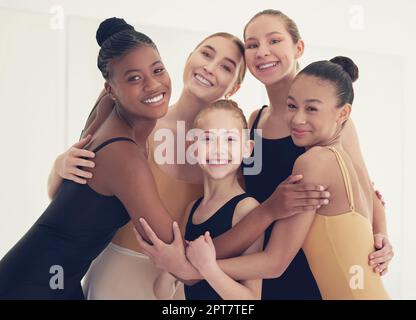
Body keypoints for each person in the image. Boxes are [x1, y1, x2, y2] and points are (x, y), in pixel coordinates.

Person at [46, 30, 330, 299]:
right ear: (189, 56)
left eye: (226, 67)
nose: (210, 67)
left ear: (235, 87)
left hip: (182, 283)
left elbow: (244, 227)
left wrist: (371, 219)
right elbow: (66, 197)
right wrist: (61, 165)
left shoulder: (227, 160)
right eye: (206, 54)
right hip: (120, 272)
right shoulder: (135, 126)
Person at [135, 9, 393, 300]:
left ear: (299, 48)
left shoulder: (327, 125)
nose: (262, 52)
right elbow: (240, 201)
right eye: (252, 45)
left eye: (274, 40)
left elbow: (365, 191)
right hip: (255, 273)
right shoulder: (254, 122)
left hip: (303, 273)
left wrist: (380, 236)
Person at [0, 17, 174, 299]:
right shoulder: (124, 156)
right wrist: (266, 214)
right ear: (111, 89)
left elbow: (60, 193)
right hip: (33, 288)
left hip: (44, 279)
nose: (153, 84)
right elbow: (169, 241)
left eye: (158, 70)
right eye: (134, 78)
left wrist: (59, 165)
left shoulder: (107, 109)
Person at [287, 56, 390, 299]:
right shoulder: (257, 124)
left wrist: (197, 265)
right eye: (292, 106)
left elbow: (275, 260)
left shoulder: (317, 159)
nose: (297, 118)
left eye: (311, 108)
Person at [153, 100, 263, 300]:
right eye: (207, 139)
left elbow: (252, 298)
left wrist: (208, 268)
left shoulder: (247, 209)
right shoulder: (192, 209)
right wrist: (170, 267)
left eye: (230, 139)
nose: (218, 149)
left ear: (247, 148)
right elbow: (162, 293)